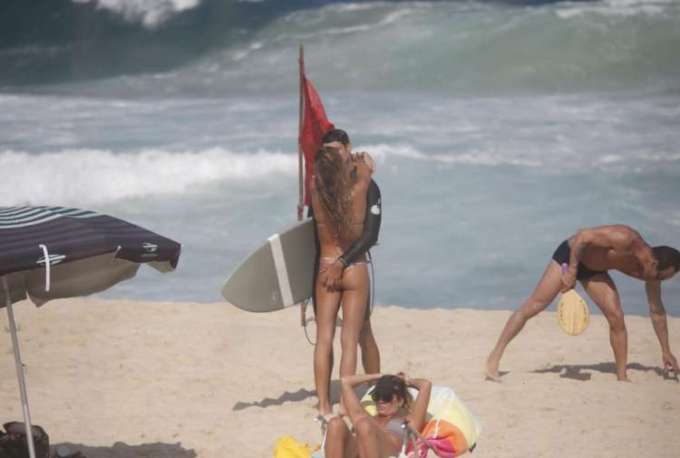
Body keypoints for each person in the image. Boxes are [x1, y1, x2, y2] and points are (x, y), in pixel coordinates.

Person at [486, 224, 680, 382]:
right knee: (535, 305)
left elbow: (656, 310)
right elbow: (582, 236)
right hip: (570, 256)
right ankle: (495, 357)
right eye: (660, 276)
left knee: (616, 316)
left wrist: (666, 351)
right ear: (653, 263)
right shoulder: (625, 237)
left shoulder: (651, 272)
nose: (658, 281)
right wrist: (571, 270)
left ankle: (622, 377)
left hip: (594, 270)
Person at [311, 129, 382, 416]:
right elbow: (366, 171)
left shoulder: (316, 189)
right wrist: (364, 165)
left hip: (325, 266)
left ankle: (323, 405)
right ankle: (345, 404)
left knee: (323, 338)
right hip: (354, 267)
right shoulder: (362, 185)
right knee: (349, 339)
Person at [324, 373, 431, 458]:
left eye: (387, 397)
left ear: (400, 401)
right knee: (335, 423)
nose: (381, 401)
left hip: (388, 452)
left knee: (363, 424)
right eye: (377, 396)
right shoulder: (367, 417)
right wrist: (380, 376)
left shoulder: (410, 420)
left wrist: (406, 380)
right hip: (358, 451)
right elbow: (345, 382)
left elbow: (426, 385)